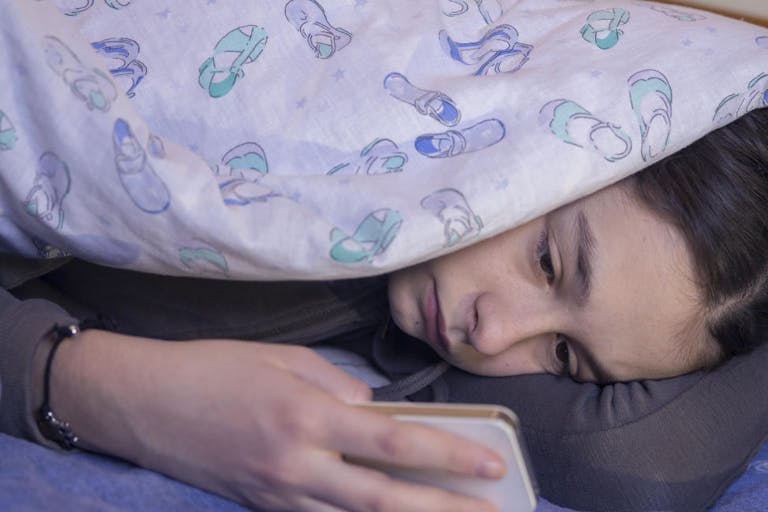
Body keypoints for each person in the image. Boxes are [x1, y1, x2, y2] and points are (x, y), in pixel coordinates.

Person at [0, 105, 763, 512]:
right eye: (548, 261)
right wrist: (89, 385)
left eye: (564, 357)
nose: (493, 336)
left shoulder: (421, 315)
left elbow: (646, 469)